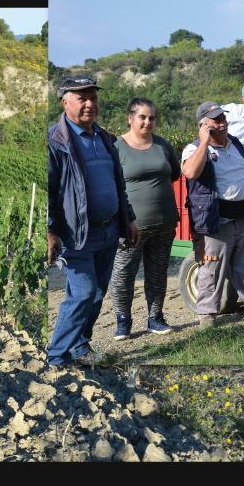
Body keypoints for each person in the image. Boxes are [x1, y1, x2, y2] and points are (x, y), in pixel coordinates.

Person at [47, 75, 140, 366]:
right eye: (81, 98)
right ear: (65, 102)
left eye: (93, 98)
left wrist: (129, 219)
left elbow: (117, 184)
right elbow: (50, 190)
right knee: (83, 292)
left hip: (109, 230)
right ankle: (56, 358)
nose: (89, 104)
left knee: (98, 291)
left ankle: (80, 347)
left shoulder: (104, 138)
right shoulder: (56, 141)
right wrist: (50, 230)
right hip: (77, 233)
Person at [181, 101, 244, 329]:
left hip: (242, 219)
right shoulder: (194, 149)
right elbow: (191, 172)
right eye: (216, 121)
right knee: (211, 272)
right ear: (203, 125)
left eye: (223, 119)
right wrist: (204, 141)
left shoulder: (236, 144)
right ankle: (207, 316)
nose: (222, 124)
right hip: (215, 223)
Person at [109, 97, 179, 340]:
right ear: (130, 118)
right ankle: (123, 321)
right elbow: (111, 185)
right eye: (142, 117)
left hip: (165, 222)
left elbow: (174, 174)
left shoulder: (163, 145)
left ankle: (155, 318)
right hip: (131, 226)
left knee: (158, 273)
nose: (148, 122)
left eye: (152, 118)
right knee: (123, 274)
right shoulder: (116, 147)